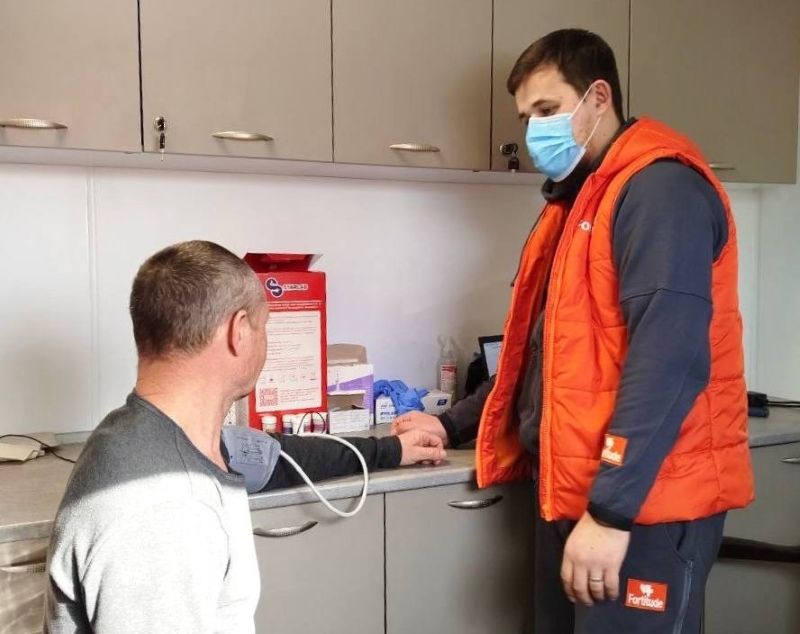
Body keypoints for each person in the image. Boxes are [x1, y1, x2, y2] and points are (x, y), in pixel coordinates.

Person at [393, 28, 753, 633]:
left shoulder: (661, 190)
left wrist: (610, 514)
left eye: (547, 109)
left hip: (643, 509)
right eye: (526, 117)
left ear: (598, 98)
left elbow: (668, 364)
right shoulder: (582, 202)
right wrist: (452, 423)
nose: (535, 131)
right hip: (576, 494)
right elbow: (542, 358)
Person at [45, 240, 445, 633]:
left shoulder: (161, 435)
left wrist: (390, 449)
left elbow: (280, 456)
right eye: (264, 325)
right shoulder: (166, 509)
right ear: (238, 331)